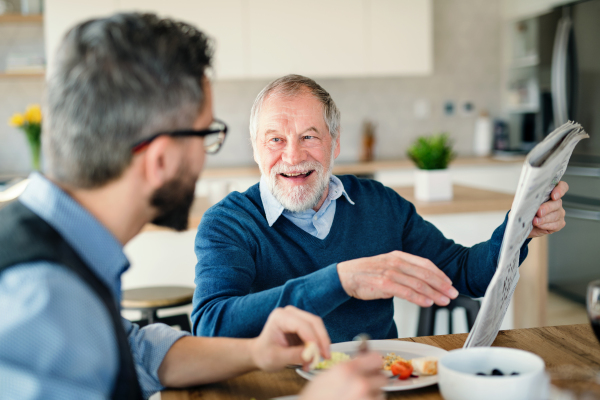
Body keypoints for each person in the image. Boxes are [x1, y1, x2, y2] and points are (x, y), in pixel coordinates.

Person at [0, 16, 387, 400]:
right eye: (206, 136)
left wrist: (254, 351)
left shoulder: (59, 251)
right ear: (161, 160)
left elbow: (138, 351)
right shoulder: (41, 297)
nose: (205, 157)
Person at [192, 74, 569, 343]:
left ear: (335, 144)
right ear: (256, 149)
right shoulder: (230, 223)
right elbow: (212, 324)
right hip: (280, 387)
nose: (293, 155)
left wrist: (520, 225)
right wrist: (340, 280)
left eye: (310, 136)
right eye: (275, 139)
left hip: (377, 382)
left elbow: (466, 274)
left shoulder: (379, 204)